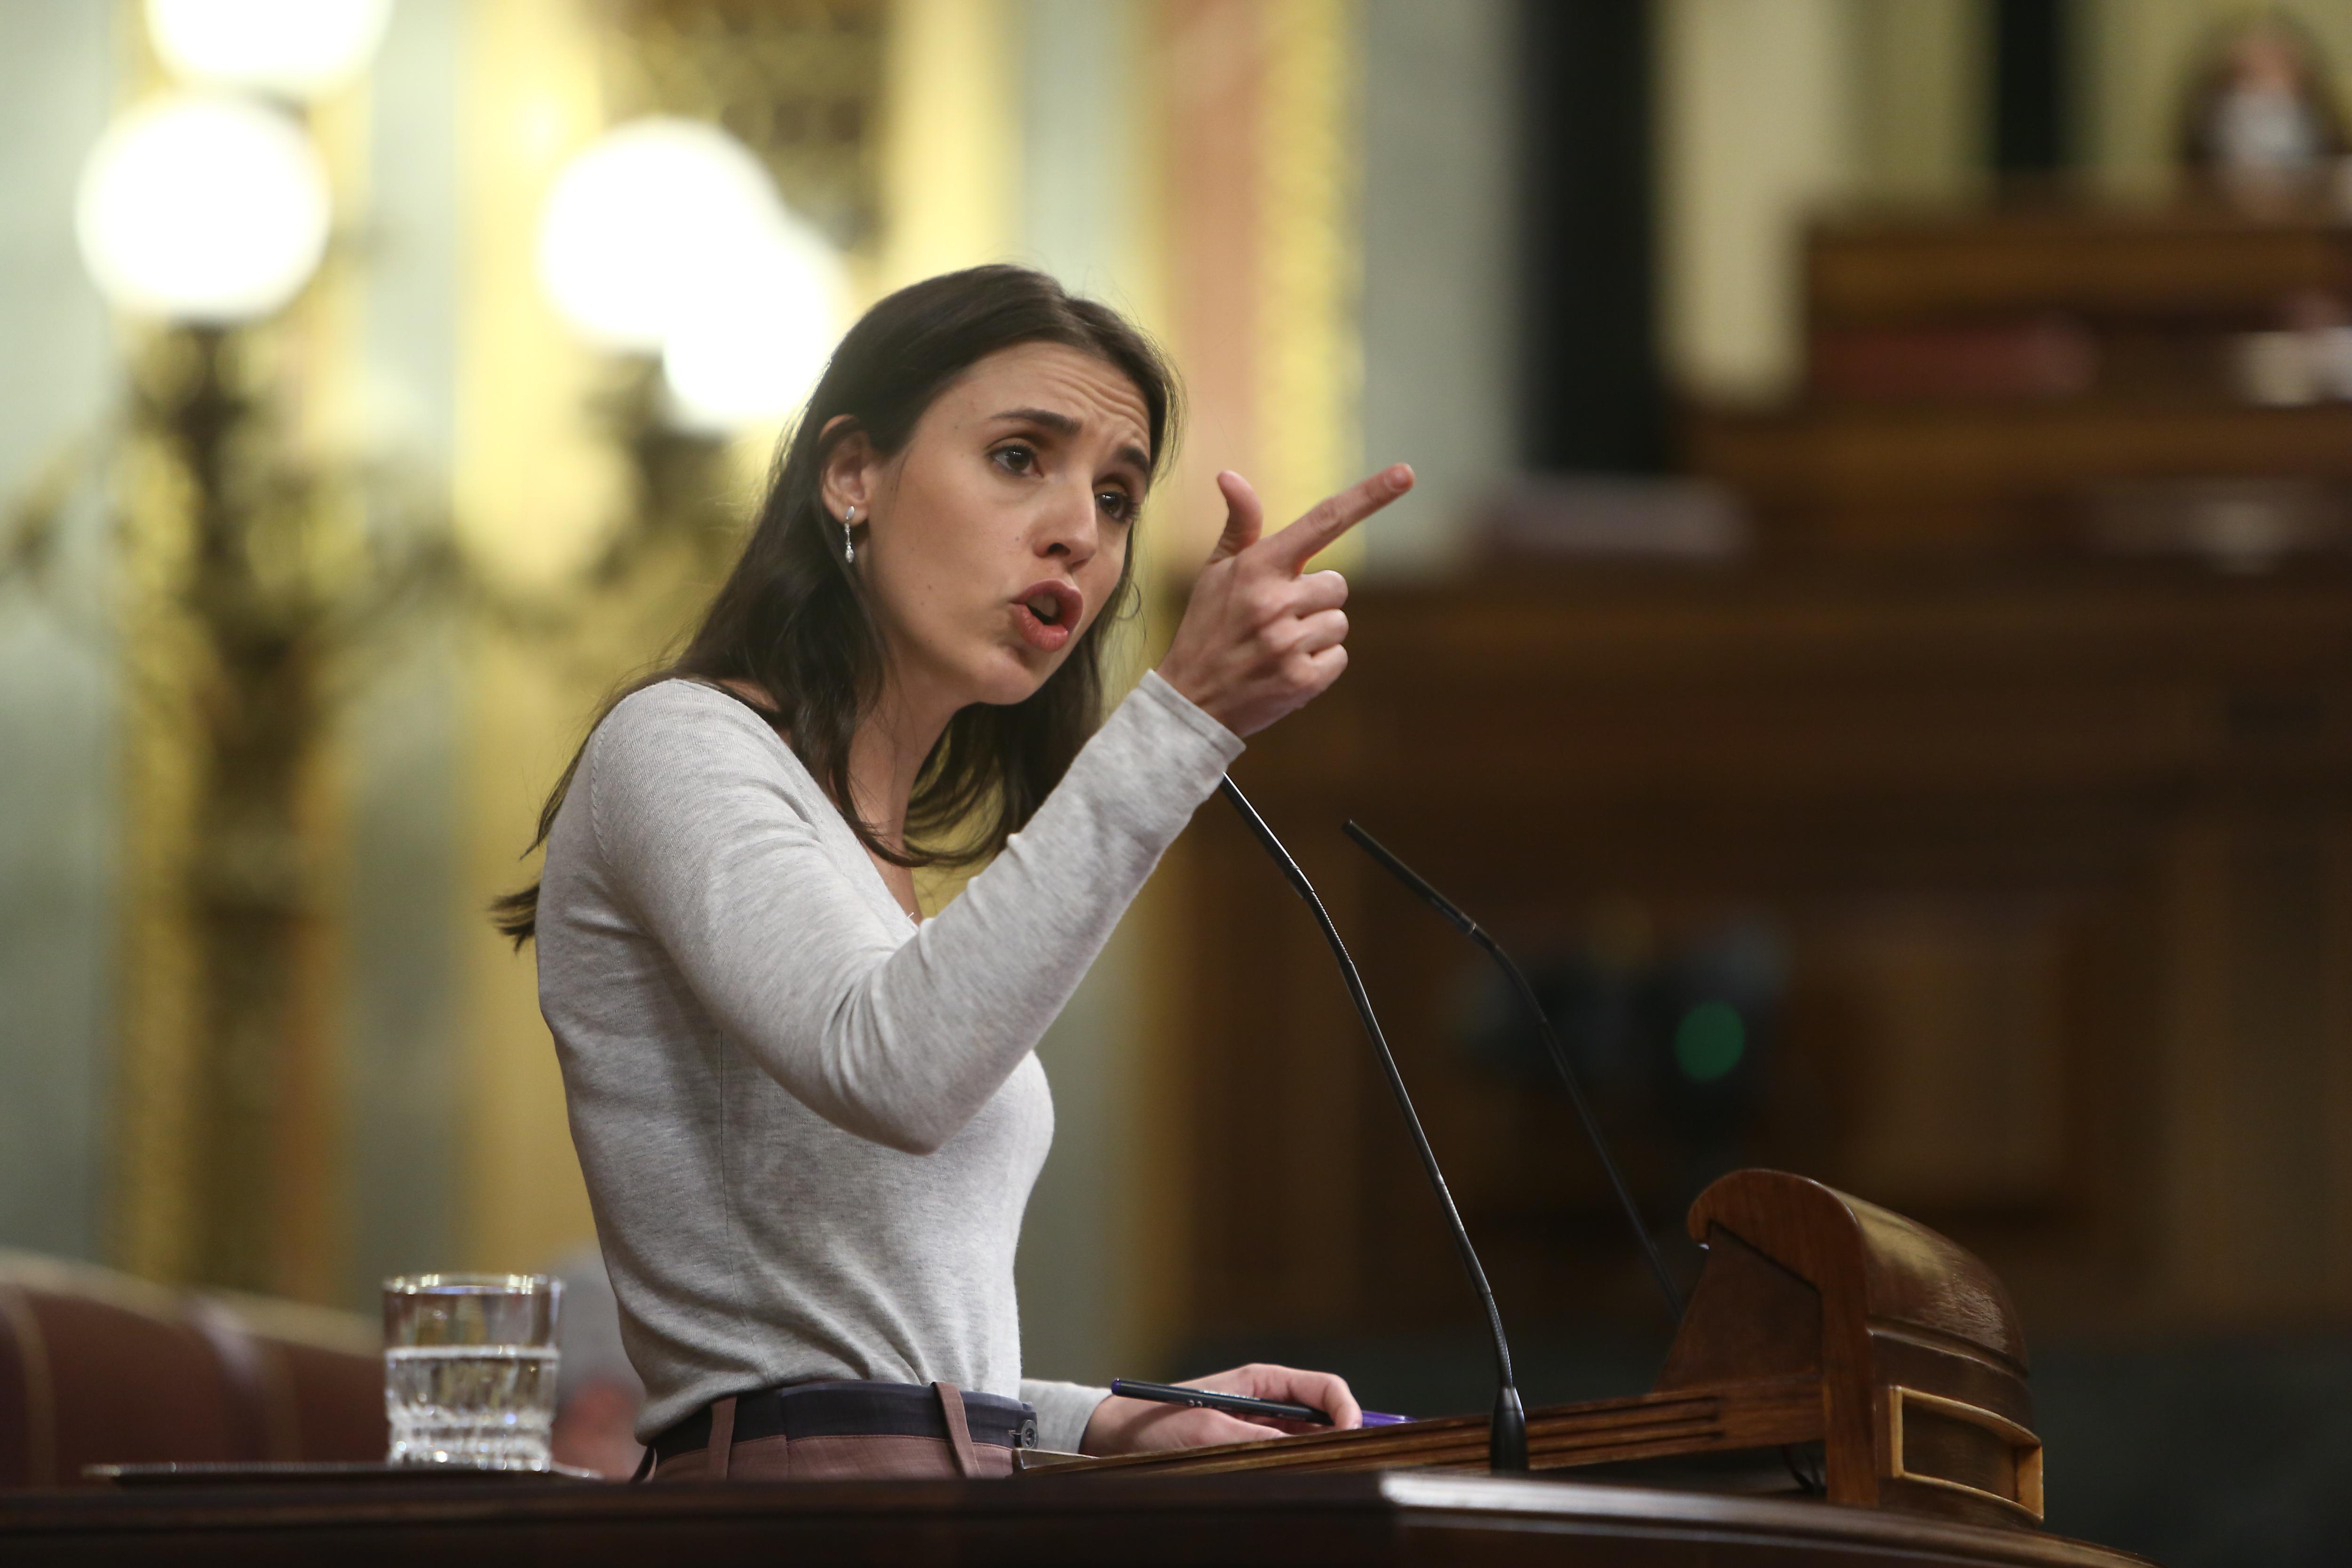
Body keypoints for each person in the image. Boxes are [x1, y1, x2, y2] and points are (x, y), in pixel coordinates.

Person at [494, 264, 1414, 1480]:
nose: (1079, 530)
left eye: (1118, 494)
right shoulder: (678, 745)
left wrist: (1102, 1419)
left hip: (941, 1505)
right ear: (852, 472)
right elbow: (894, 1070)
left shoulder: (870, 863)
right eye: (1021, 457)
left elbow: (865, 1366)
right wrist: (1183, 722)